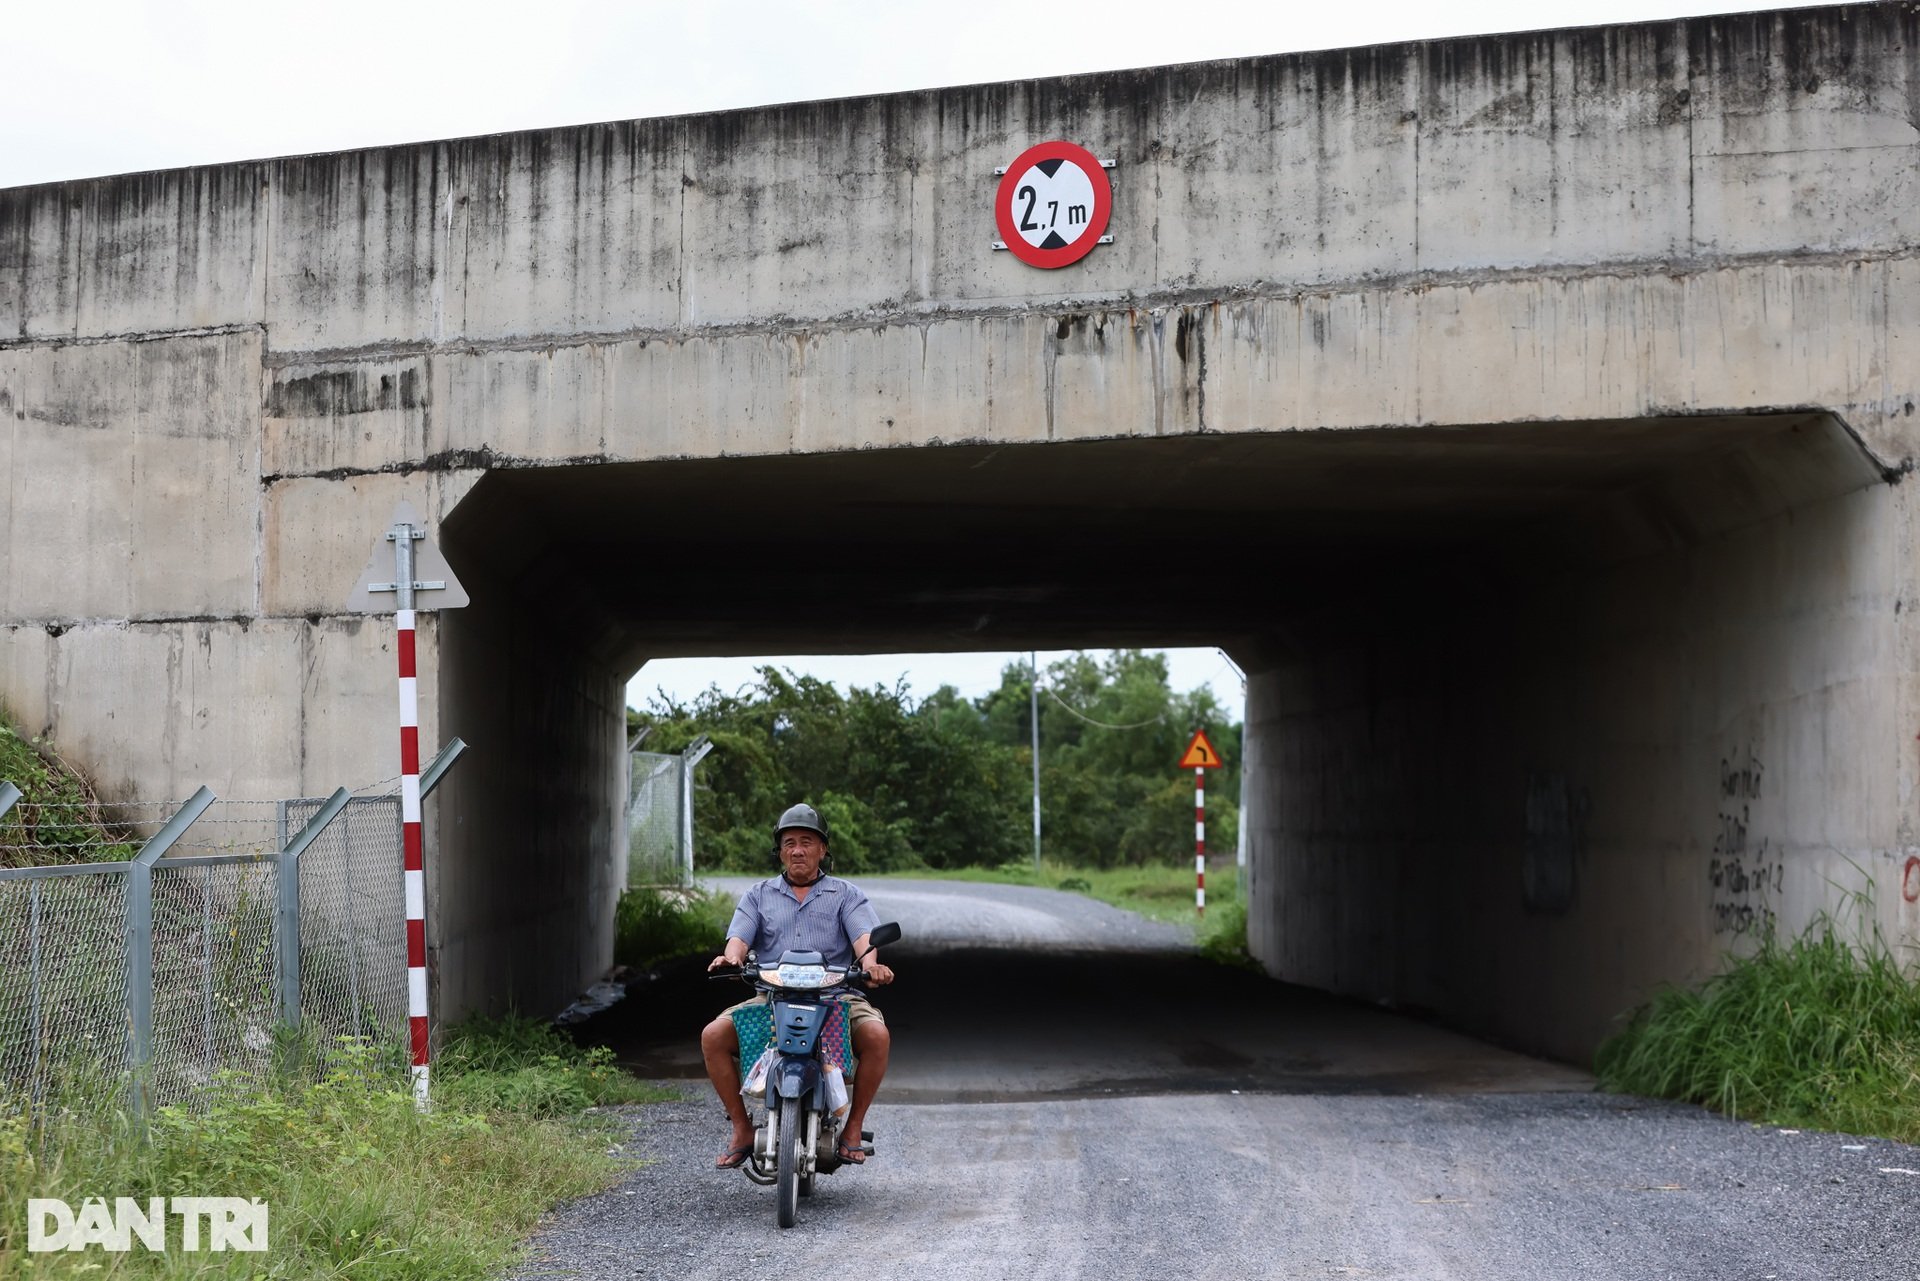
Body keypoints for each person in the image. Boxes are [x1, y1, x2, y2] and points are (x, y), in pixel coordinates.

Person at [702, 802, 895, 1170]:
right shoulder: (758, 895)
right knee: (713, 1035)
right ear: (780, 851)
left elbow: (864, 940)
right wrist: (731, 958)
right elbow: (739, 940)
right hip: (771, 998)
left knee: (876, 1036)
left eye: (807, 841)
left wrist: (871, 966)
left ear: (823, 849)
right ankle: (742, 1130)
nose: (798, 850)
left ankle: (853, 1129)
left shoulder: (845, 895)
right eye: (789, 842)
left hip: (836, 997)